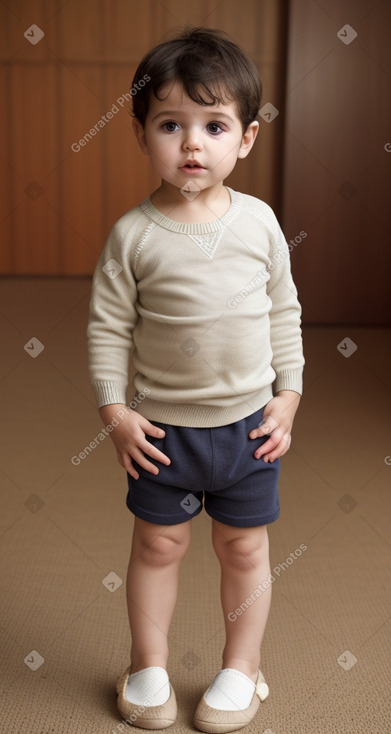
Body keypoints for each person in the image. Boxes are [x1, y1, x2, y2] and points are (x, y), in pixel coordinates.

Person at [87, 26, 304, 733]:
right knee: (157, 545)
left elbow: (283, 311)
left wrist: (289, 396)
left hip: (247, 430)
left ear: (243, 138)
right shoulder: (133, 234)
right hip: (162, 433)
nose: (191, 144)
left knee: (243, 547)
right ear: (142, 133)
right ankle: (146, 663)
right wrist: (115, 412)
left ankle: (242, 666)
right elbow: (108, 328)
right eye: (170, 124)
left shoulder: (260, 223)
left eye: (213, 126)